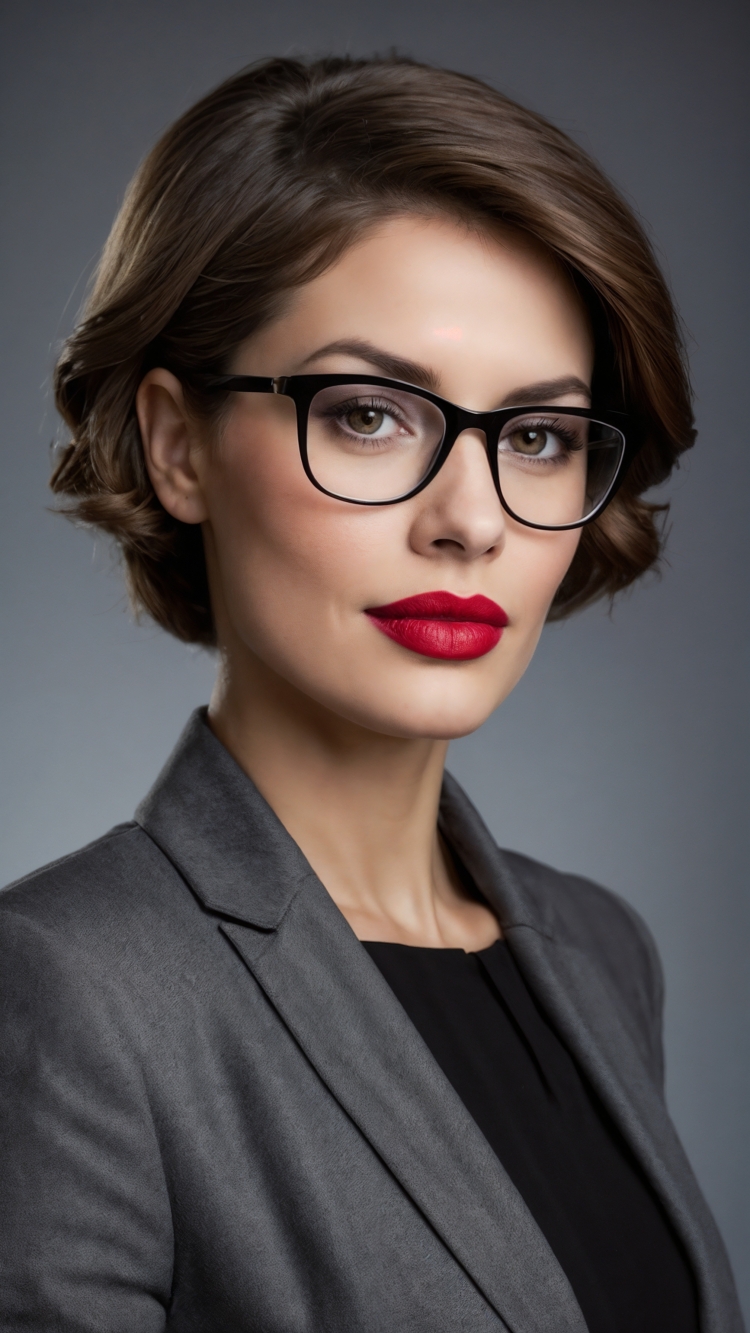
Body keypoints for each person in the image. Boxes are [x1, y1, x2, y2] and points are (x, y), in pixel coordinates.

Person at [0, 54, 743, 1333]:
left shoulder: (603, 950)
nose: (469, 522)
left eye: (539, 435)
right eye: (369, 415)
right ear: (177, 443)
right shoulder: (67, 982)